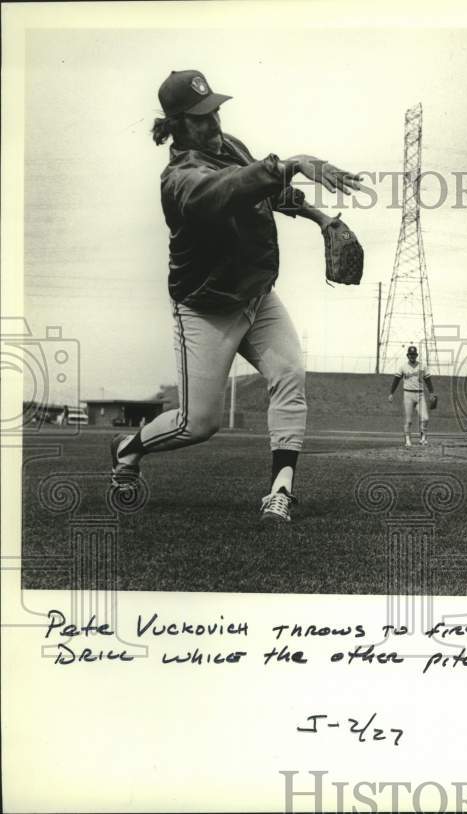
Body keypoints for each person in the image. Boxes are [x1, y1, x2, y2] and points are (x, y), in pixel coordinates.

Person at [108, 70, 361, 523]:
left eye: (216, 110)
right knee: (197, 424)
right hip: (206, 308)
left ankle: (279, 492)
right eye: (202, 116)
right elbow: (229, 191)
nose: (214, 121)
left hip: (256, 296)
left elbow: (273, 191)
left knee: (289, 376)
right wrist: (293, 161)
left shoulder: (230, 147)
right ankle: (128, 448)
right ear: (178, 124)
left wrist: (321, 219)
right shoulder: (179, 180)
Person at [388, 345, 435, 447]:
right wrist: (391, 393)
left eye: (414, 354)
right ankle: (408, 440)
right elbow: (396, 380)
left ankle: (423, 437)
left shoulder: (422, 366)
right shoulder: (403, 367)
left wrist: (431, 392)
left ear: (416, 355)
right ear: (407, 355)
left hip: (420, 395)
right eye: (410, 354)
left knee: (425, 418)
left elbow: (428, 380)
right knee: (408, 420)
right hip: (408, 395)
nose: (412, 356)